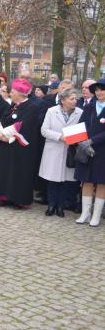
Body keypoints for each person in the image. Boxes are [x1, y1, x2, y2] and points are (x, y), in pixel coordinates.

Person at [0, 79, 42, 209]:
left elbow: (23, 126)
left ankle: (18, 199)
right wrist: (0, 132)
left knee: (18, 173)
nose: (10, 94)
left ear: (20, 93)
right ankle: (3, 196)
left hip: (21, 148)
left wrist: (7, 136)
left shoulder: (32, 107)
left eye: (12, 92)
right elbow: (2, 120)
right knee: (5, 170)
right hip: (6, 146)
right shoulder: (13, 105)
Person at [39, 88, 83, 217]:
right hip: (54, 148)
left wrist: (75, 139)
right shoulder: (52, 111)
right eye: (72, 99)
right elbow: (44, 130)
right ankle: (51, 205)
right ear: (63, 100)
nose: (75, 101)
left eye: (76, 99)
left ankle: (60, 206)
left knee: (65, 180)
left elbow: (82, 131)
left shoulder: (80, 113)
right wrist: (60, 137)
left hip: (70, 151)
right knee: (53, 179)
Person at [74, 78, 105, 227]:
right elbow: (81, 124)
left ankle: (96, 215)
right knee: (86, 180)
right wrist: (83, 141)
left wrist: (92, 141)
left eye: (102, 89)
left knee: (101, 182)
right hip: (86, 149)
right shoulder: (90, 106)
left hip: (102, 151)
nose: (99, 92)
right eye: (97, 90)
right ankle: (85, 213)